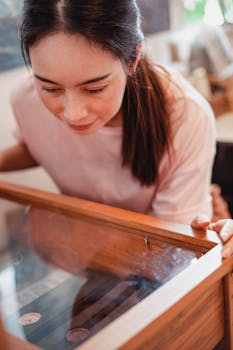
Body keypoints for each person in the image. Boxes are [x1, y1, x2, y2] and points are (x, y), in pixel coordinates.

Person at [0, 0, 232, 255]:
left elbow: (170, 246)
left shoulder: (186, 115)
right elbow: (40, 145)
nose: (73, 114)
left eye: (94, 89)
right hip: (85, 255)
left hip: (148, 262)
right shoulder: (25, 98)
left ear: (132, 58)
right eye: (50, 88)